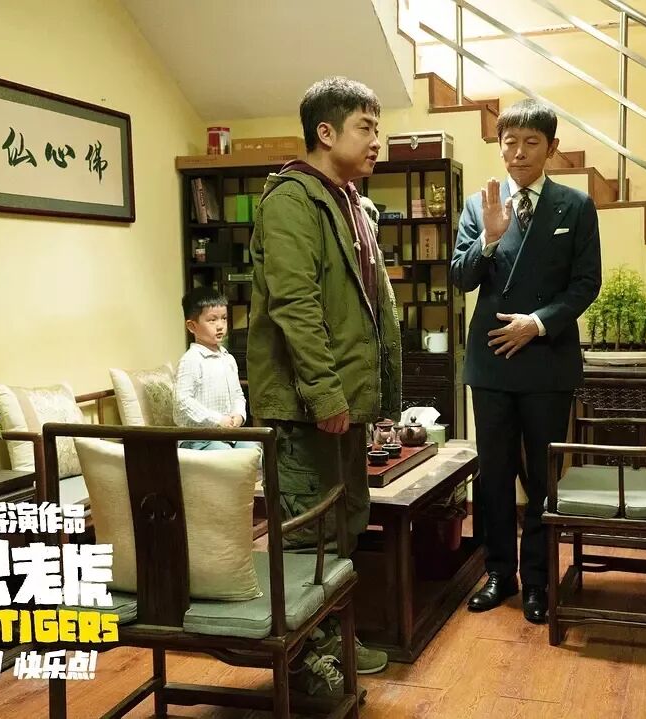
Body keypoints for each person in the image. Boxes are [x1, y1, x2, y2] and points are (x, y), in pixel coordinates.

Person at [247, 76, 402, 692]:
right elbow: (296, 305)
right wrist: (326, 394)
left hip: (344, 401)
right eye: (366, 128)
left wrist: (371, 397)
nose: (376, 141)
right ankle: (302, 661)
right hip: (304, 405)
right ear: (326, 132)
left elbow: (368, 308)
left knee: (345, 523)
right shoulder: (292, 199)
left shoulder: (351, 202)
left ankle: (332, 635)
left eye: (377, 128)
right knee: (305, 531)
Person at [451, 99, 602, 625]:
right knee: (493, 475)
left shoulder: (576, 206)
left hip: (546, 359)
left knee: (543, 477)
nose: (518, 152)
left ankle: (538, 579)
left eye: (531, 142)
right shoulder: (479, 206)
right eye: (509, 142)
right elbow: (461, 278)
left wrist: (536, 324)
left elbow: (586, 283)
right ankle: (499, 573)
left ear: (551, 148)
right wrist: (489, 239)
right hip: (492, 358)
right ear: (500, 146)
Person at [173, 287, 248, 450]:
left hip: (227, 435)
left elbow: (238, 394)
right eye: (212, 320)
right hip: (198, 438)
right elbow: (183, 402)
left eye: (224, 318)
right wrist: (217, 420)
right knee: (227, 456)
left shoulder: (228, 358)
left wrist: (239, 415)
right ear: (192, 326)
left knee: (256, 448)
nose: (220, 326)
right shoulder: (191, 360)